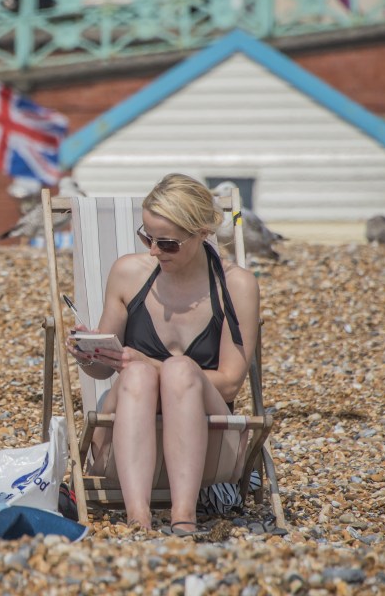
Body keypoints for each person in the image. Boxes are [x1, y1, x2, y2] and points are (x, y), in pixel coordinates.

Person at [65, 174, 260, 535]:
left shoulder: (235, 285)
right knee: (138, 376)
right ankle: (137, 517)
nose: (154, 251)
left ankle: (182, 516)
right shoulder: (128, 273)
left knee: (180, 371)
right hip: (122, 437)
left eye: (167, 244)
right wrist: (88, 353)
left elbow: (231, 385)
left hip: (209, 446)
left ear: (202, 233)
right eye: (147, 238)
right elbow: (101, 371)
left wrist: (147, 363)